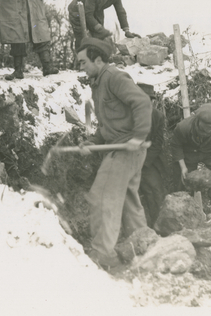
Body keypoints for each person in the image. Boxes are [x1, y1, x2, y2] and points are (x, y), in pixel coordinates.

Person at [76, 38, 152, 268]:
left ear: (98, 60)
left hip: (126, 150)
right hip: (123, 148)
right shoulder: (98, 83)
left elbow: (143, 102)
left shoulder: (114, 77)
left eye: (83, 62)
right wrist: (92, 141)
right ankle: (144, 249)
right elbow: (108, 125)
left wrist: (138, 137)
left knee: (101, 199)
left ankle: (102, 254)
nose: (81, 68)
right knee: (129, 202)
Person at [169, 103, 211, 203]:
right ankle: (180, 203)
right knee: (182, 177)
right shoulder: (183, 127)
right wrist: (183, 167)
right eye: (209, 127)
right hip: (189, 151)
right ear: (199, 121)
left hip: (209, 151)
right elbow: (176, 146)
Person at [68, 0, 141, 50]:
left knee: (99, 37)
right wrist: (100, 29)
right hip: (77, 10)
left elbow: (120, 11)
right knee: (82, 38)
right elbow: (88, 14)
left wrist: (127, 31)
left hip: (96, 10)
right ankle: (80, 58)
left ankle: (95, 58)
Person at [136, 83, 167, 228]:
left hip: (148, 160)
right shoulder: (125, 116)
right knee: (141, 191)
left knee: (156, 190)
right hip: (128, 160)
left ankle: (160, 224)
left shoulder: (157, 116)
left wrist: (144, 162)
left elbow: (157, 143)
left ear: (152, 101)